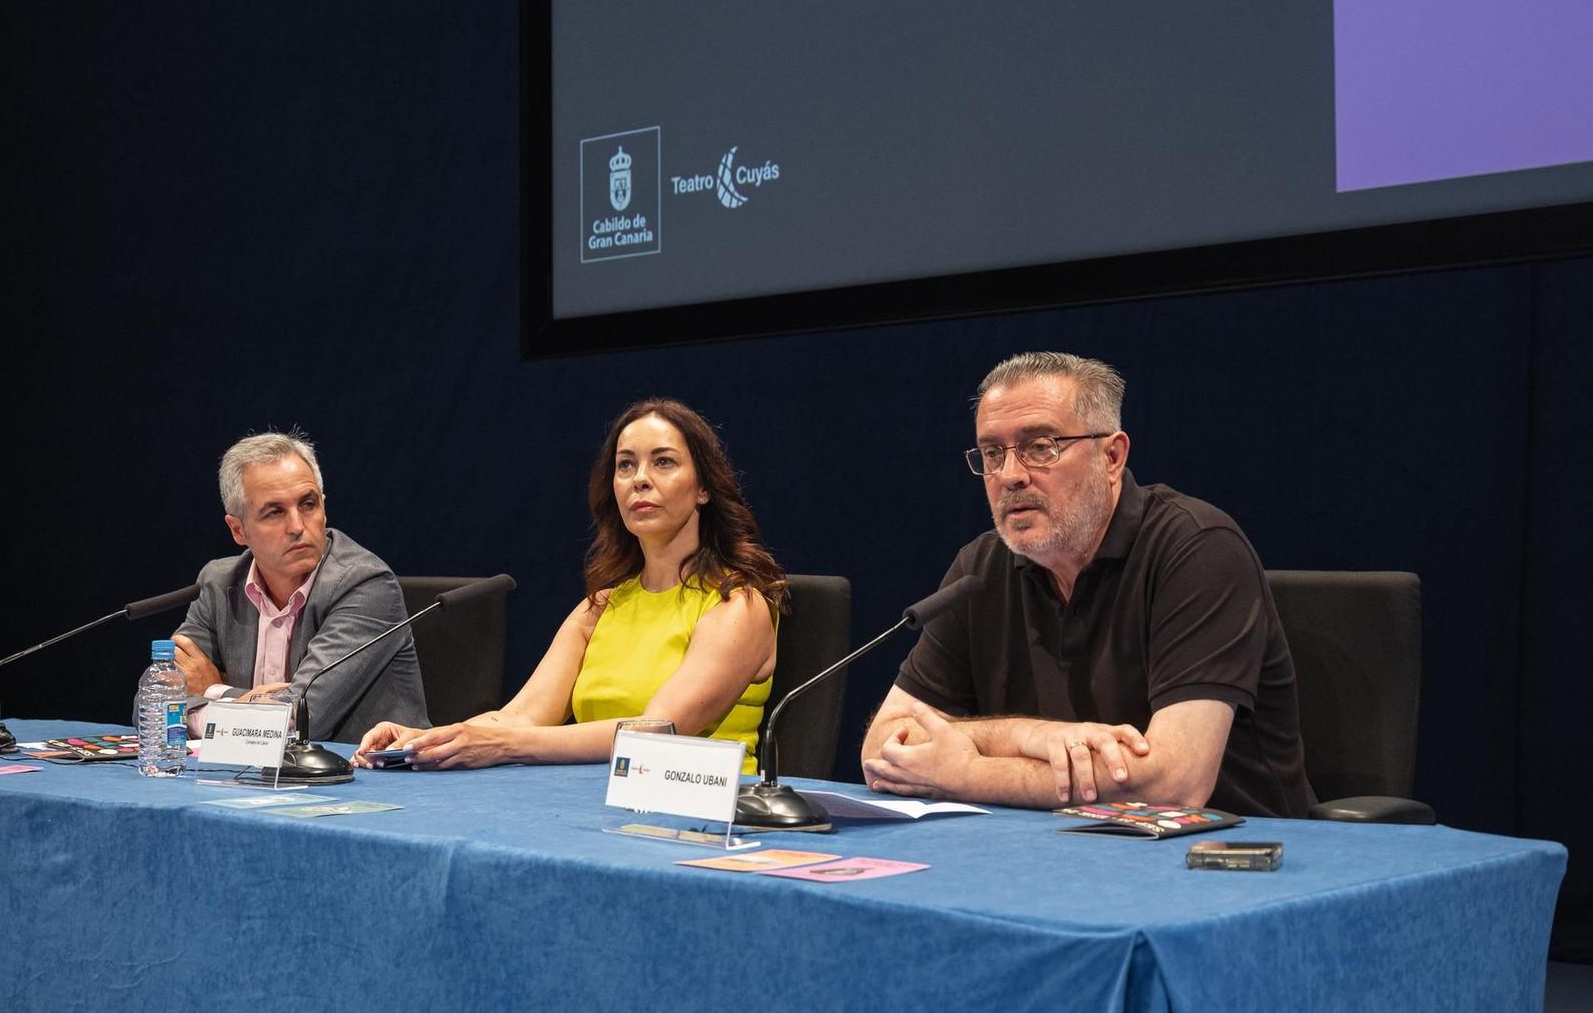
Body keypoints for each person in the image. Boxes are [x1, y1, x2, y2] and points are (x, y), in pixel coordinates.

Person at [861, 352, 1313, 816]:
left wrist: (967, 773)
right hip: (1058, 853)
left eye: (1041, 446)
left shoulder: (1198, 548)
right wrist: (1029, 735)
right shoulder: (980, 568)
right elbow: (883, 745)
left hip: (1227, 861)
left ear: (1112, 456)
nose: (1011, 475)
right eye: (993, 453)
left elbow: (1175, 782)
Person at [354, 399, 786, 769]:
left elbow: (655, 733)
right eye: (626, 465)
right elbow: (520, 718)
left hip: (707, 817)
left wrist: (502, 746)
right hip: (595, 804)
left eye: (664, 462)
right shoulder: (600, 607)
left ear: (704, 489)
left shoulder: (737, 605)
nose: (640, 478)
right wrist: (425, 740)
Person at [173, 430, 428, 745]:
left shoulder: (366, 585)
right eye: (275, 512)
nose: (297, 526)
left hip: (365, 781)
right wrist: (252, 708)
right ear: (238, 529)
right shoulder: (218, 583)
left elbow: (303, 721)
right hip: (255, 780)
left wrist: (214, 692)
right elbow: (152, 702)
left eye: (308, 504)